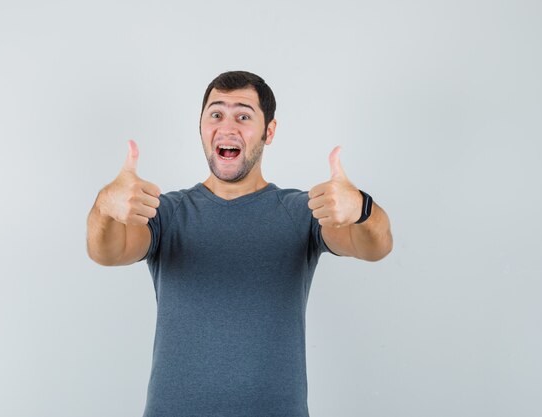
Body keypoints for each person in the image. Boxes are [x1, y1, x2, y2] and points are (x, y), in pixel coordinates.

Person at [86, 70, 393, 417]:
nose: (227, 127)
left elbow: (375, 247)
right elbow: (106, 252)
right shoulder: (165, 213)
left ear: (269, 131)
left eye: (243, 116)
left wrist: (362, 209)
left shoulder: (302, 212)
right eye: (216, 114)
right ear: (201, 127)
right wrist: (105, 207)